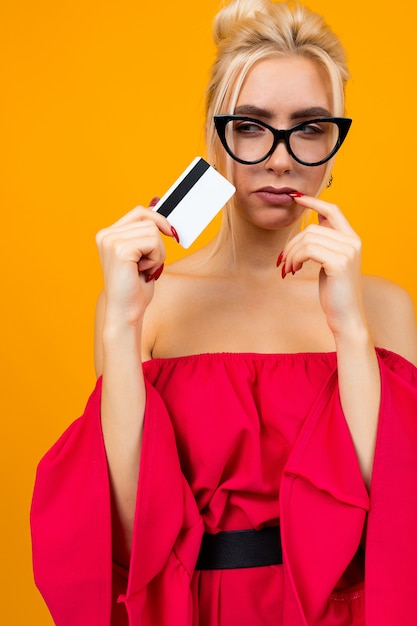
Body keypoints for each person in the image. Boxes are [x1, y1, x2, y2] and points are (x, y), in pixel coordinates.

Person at [31, 0, 417, 624]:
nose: (281, 157)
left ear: (335, 141)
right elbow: (129, 531)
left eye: (311, 127)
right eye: (253, 125)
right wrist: (122, 325)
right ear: (217, 137)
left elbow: (397, 520)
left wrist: (350, 330)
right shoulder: (144, 305)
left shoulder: (382, 306)